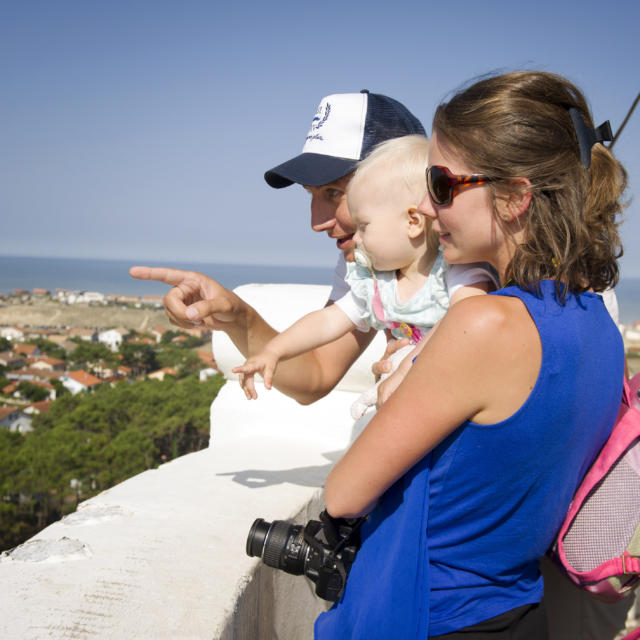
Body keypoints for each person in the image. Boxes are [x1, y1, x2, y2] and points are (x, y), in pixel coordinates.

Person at [314, 71, 628, 639]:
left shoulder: (483, 324)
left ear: (514, 198)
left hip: (425, 614)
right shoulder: (598, 328)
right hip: (517, 612)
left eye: (441, 185)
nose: (428, 209)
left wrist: (406, 376)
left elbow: (344, 492)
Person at [130, 90, 424, 405]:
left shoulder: (472, 260)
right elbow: (317, 374)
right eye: (311, 194)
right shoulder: (363, 264)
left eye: (334, 192)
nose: (316, 222)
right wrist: (239, 318)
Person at [232, 135, 496, 403]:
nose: (356, 238)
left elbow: (464, 319)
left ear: (413, 222)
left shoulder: (454, 272)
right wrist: (274, 351)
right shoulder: (377, 283)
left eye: (364, 226)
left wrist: (408, 366)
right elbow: (326, 321)